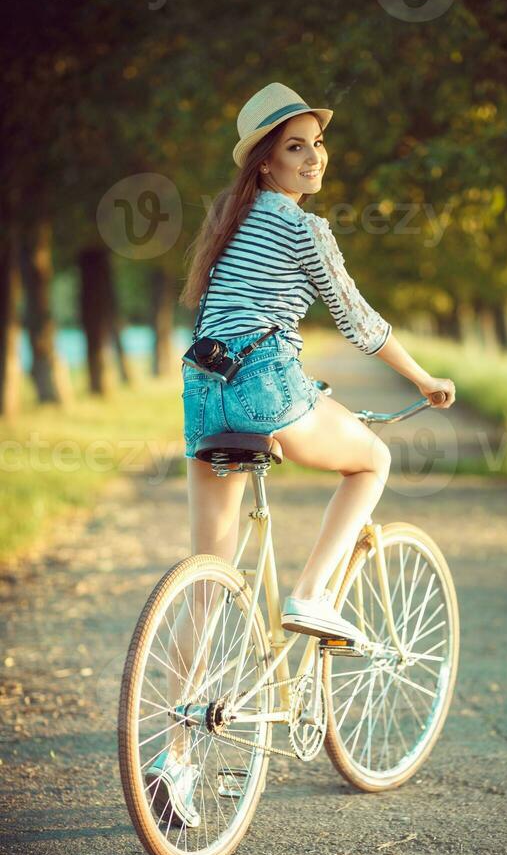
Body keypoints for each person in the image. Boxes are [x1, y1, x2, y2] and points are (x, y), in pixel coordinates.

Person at [180, 81, 455, 643]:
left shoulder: (225, 225)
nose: (314, 156)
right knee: (372, 460)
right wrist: (424, 379)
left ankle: (179, 727)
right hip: (265, 382)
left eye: (317, 142)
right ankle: (310, 596)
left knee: (206, 583)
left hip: (204, 390)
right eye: (295, 147)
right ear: (264, 164)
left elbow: (220, 319)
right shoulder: (304, 227)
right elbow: (359, 322)